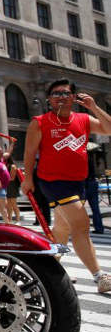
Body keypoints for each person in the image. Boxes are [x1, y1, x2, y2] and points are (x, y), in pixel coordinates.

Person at [22, 79, 111, 293]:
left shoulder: (84, 119)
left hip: (77, 182)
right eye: (55, 94)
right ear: (49, 100)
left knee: (62, 229)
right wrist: (28, 178)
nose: (61, 97)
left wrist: (94, 107)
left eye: (65, 93)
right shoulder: (40, 122)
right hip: (53, 182)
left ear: (74, 97)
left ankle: (47, 270)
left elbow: (108, 129)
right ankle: (100, 277)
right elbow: (29, 152)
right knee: (80, 225)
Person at [4, 153, 22, 223]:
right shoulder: (5, 165)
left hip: (12, 186)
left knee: (13, 203)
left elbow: (12, 178)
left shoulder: (13, 166)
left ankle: (18, 220)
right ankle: (9, 220)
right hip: (7, 186)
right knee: (8, 204)